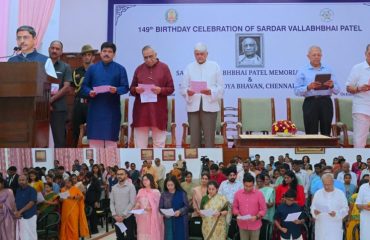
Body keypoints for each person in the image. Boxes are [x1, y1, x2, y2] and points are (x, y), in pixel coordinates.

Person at [80, 42, 129, 147]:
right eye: (104, 51)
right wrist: (90, 92)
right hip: (95, 111)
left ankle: (111, 164)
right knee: (94, 146)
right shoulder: (92, 69)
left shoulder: (120, 69)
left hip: (112, 111)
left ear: (114, 54)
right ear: (101, 53)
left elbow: (125, 87)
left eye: (110, 52)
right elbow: (84, 87)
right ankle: (95, 164)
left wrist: (116, 89)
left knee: (111, 146)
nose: (107, 54)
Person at [180, 42, 224, 147]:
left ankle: (210, 161)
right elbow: (182, 88)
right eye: (197, 54)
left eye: (202, 54)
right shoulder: (189, 67)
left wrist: (210, 92)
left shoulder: (215, 66)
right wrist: (188, 92)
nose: (199, 56)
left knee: (209, 138)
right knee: (194, 138)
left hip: (210, 104)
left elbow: (221, 87)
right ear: (194, 54)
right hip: (193, 105)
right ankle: (194, 161)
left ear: (207, 54)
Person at [130, 45, 174, 148]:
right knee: (140, 147)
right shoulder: (139, 69)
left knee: (159, 145)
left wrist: (160, 90)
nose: (148, 59)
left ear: (156, 55)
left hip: (158, 113)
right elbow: (131, 89)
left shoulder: (164, 68)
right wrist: (136, 90)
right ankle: (140, 164)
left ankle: (159, 164)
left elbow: (171, 88)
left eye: (151, 56)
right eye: (145, 57)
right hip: (141, 113)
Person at [294, 45, 340, 136]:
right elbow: (296, 90)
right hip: (310, 102)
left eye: (319, 55)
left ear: (321, 56)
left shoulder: (328, 69)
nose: (316, 57)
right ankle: (311, 149)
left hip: (326, 102)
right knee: (311, 132)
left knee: (326, 131)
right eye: (314, 55)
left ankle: (326, 149)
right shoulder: (302, 71)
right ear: (308, 56)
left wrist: (332, 85)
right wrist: (308, 87)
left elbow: (337, 90)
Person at [71, 44, 97, 147]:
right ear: (82, 57)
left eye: (89, 54)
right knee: (76, 130)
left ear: (93, 57)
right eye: (84, 55)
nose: (87, 57)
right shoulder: (76, 72)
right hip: (79, 104)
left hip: (92, 104)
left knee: (93, 131)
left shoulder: (97, 70)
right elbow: (74, 88)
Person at [48, 40, 72, 147]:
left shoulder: (65, 67)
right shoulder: (41, 64)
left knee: (59, 140)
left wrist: (51, 100)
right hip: (41, 108)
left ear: (61, 52)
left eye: (57, 49)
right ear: (49, 49)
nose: (54, 50)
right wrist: (45, 103)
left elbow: (66, 87)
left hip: (58, 108)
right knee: (40, 138)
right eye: (52, 48)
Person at [346, 44, 370, 147]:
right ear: (365, 54)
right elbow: (348, 88)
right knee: (359, 140)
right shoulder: (358, 68)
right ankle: (359, 163)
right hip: (362, 108)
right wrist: (359, 88)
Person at [311, 173, 348, 240]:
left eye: (328, 185)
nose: (326, 187)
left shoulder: (340, 193)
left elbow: (345, 209)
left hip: (334, 227)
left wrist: (336, 213)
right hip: (321, 226)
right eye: (325, 185)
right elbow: (312, 207)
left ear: (333, 182)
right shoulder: (318, 193)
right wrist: (315, 212)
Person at [232, 174, 267, 240]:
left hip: (255, 225)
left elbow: (263, 209)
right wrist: (238, 214)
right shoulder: (238, 194)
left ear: (254, 184)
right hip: (242, 225)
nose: (248, 188)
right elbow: (234, 207)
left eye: (250, 186)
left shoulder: (259, 194)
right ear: (243, 183)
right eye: (246, 186)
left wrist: (256, 217)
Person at [133, 173, 164, 240]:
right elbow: (138, 202)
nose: (144, 181)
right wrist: (136, 207)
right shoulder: (140, 191)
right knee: (142, 234)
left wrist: (152, 208)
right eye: (143, 180)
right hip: (142, 217)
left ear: (151, 180)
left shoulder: (156, 191)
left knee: (151, 235)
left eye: (146, 180)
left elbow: (159, 206)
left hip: (151, 217)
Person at [159, 176, 189, 240]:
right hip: (168, 220)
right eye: (168, 185)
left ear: (175, 184)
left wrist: (180, 211)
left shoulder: (182, 194)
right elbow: (160, 208)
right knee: (169, 237)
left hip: (180, 220)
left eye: (171, 185)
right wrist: (165, 214)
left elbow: (187, 207)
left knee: (180, 237)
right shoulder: (163, 194)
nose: (170, 187)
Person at [110, 169, 136, 240]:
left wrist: (123, 216)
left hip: (128, 217)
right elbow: (111, 202)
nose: (119, 176)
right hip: (117, 218)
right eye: (118, 174)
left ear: (126, 175)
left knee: (130, 236)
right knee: (119, 237)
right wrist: (114, 215)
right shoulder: (114, 187)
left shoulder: (131, 187)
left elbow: (132, 202)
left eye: (121, 174)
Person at [15, 175, 37, 240]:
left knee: (31, 235)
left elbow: (32, 202)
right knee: (22, 235)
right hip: (20, 216)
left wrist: (20, 211)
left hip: (30, 215)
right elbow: (16, 202)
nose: (21, 182)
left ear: (27, 181)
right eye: (20, 180)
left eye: (23, 180)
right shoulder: (18, 190)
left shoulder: (32, 190)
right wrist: (16, 212)